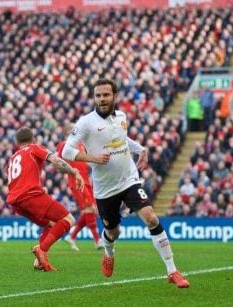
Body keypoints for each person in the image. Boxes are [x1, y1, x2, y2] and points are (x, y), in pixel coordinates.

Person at [62, 78, 189, 288]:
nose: (102, 99)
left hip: (129, 180)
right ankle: (109, 252)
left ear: (114, 96)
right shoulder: (86, 123)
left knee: (151, 218)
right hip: (105, 189)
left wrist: (140, 149)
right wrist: (93, 158)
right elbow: (67, 151)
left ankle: (172, 270)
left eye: (105, 95)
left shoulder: (121, 116)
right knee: (113, 232)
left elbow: (122, 139)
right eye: (98, 95)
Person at [6, 127, 84, 272]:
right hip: (31, 194)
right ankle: (42, 249)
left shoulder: (12, 158)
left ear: (17, 142)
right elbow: (55, 160)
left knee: (51, 225)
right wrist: (74, 171)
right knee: (68, 220)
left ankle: (39, 261)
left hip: (15, 202)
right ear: (33, 138)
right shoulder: (34, 148)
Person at [56, 124, 102, 251]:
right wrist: (70, 170)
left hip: (86, 180)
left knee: (91, 210)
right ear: (67, 132)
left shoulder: (81, 145)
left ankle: (72, 236)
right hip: (76, 181)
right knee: (90, 208)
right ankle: (97, 240)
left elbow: (84, 162)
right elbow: (58, 163)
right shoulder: (63, 145)